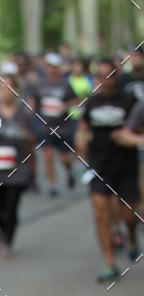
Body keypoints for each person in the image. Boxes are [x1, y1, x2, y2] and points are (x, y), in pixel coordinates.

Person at [77, 59, 140, 281]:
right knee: (100, 212)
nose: (104, 81)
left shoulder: (130, 101)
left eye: (108, 76)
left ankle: (132, 238)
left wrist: (130, 138)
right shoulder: (91, 103)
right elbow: (83, 128)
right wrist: (82, 140)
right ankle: (110, 262)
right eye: (100, 76)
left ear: (115, 77)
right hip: (100, 165)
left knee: (128, 215)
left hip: (126, 165)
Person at [0, 72, 36, 257]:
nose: (6, 91)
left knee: (10, 209)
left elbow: (33, 140)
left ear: (16, 90)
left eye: (9, 87)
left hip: (16, 169)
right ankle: (1, 229)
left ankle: (7, 241)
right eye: (2, 87)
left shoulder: (23, 114)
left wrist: (26, 137)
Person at [30, 52, 77, 195]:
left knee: (64, 158)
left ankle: (69, 172)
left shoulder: (65, 83)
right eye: (50, 66)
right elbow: (33, 101)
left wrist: (65, 106)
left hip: (63, 126)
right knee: (48, 154)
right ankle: (52, 185)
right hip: (45, 126)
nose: (52, 69)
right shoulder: (39, 84)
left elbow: (75, 100)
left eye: (55, 66)